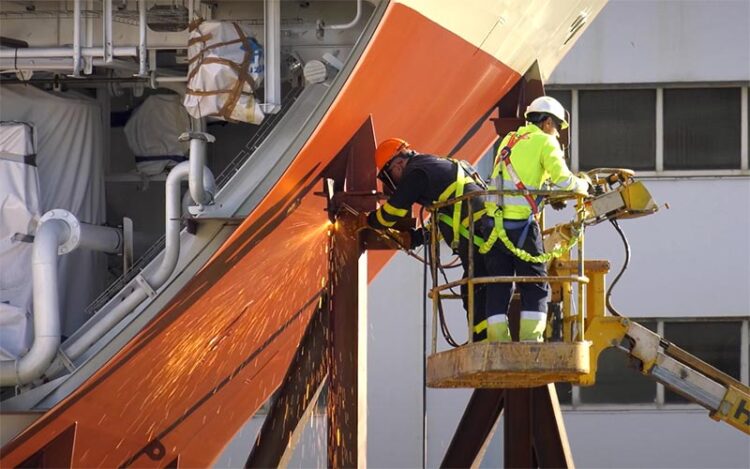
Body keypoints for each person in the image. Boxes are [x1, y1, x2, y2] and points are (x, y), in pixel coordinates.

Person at [481, 95, 591, 342]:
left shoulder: (510, 139)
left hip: (493, 225)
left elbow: (519, 177)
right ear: (548, 123)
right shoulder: (545, 142)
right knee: (535, 284)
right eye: (557, 129)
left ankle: (498, 341)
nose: (557, 135)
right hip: (520, 226)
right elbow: (564, 180)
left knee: (498, 284)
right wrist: (584, 185)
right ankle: (531, 341)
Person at [367, 138, 493, 342]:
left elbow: (391, 213)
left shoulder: (416, 172)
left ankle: (484, 342)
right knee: (473, 288)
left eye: (389, 176)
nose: (393, 183)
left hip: (481, 236)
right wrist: (416, 237)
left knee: (477, 288)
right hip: (483, 235)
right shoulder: (433, 169)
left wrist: (368, 220)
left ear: (397, 164)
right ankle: (482, 339)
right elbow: (444, 221)